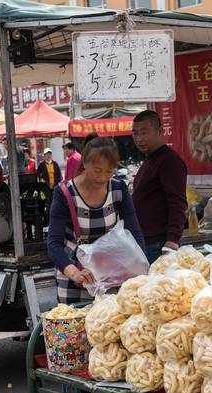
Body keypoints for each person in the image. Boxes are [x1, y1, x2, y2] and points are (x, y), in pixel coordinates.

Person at [47, 137, 145, 303]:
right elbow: (54, 243)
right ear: (84, 163)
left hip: (112, 278)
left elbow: (134, 233)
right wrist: (74, 273)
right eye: (98, 170)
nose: (103, 178)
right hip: (74, 278)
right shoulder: (65, 193)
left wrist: (142, 268)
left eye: (109, 171)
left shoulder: (118, 189)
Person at [132, 110, 187, 263]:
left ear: (160, 131)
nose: (139, 139)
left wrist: (173, 240)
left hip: (159, 243)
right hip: (144, 240)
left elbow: (178, 202)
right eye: (135, 133)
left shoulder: (170, 161)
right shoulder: (149, 160)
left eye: (144, 132)